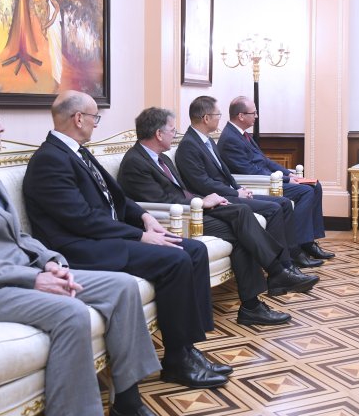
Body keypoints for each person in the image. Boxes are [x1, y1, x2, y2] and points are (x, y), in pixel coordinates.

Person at [0, 90, 190, 416]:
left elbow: (16, 235)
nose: (2, 128)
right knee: (71, 312)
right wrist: (33, 278)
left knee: (123, 287)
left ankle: (128, 408)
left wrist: (50, 261)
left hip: (20, 274)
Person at [23, 90, 230, 391]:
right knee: (174, 259)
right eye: (95, 117)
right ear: (78, 118)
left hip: (105, 236)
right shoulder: (50, 160)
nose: (96, 123)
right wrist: (140, 235)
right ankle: (176, 361)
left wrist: (143, 216)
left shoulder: (78, 151)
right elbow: (81, 220)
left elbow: (117, 197)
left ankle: (188, 348)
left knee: (195, 249)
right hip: (80, 248)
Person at [118, 107, 320, 324]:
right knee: (241, 221)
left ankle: (257, 301)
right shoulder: (135, 163)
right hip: (176, 219)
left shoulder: (163, 159)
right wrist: (201, 202)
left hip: (192, 209)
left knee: (242, 220)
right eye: (172, 130)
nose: (175, 135)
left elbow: (182, 191)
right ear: (159, 134)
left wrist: (206, 199)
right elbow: (162, 202)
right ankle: (272, 278)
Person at [175, 95, 324, 269]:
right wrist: (235, 192)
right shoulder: (190, 145)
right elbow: (202, 183)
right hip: (218, 199)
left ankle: (292, 257)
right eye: (217, 115)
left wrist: (239, 187)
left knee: (288, 201)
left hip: (232, 191)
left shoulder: (207, 140)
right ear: (206, 118)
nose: (220, 118)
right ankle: (285, 264)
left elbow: (227, 173)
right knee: (279, 206)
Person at [218, 96, 334, 261]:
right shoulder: (230, 138)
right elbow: (249, 171)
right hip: (260, 184)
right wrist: (285, 180)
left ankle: (308, 242)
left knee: (315, 185)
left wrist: (289, 174)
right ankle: (297, 247)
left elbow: (265, 161)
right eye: (253, 113)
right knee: (305, 191)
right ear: (241, 116)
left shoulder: (242, 134)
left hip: (272, 179)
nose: (256, 116)